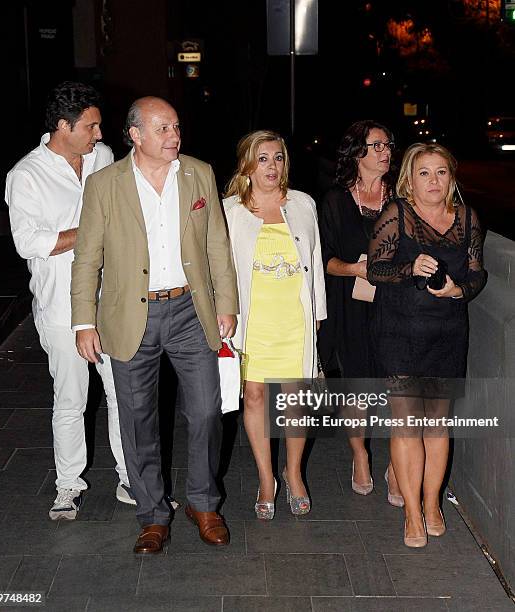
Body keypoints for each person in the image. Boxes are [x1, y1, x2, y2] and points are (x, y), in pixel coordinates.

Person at [71, 96, 239, 554]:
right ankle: (152, 514)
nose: (174, 136)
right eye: (163, 129)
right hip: (130, 315)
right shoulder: (104, 184)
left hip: (190, 310)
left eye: (177, 127)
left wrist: (226, 303)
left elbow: (217, 246)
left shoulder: (199, 173)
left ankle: (203, 503)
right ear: (135, 135)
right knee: (138, 418)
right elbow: (87, 258)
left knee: (207, 411)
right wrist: (84, 320)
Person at [4, 81, 132, 520]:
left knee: (123, 395)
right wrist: (89, 233)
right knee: (71, 399)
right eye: (91, 126)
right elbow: (29, 241)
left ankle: (131, 479)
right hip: (61, 306)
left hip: (112, 301)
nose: (99, 134)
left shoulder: (103, 157)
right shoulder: (27, 175)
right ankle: (68, 485)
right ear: (64, 126)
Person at [367, 142, 487, 547]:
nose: (433, 181)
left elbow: (477, 272)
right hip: (399, 332)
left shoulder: (468, 217)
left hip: (447, 333)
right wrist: (409, 267)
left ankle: (433, 504)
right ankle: (412, 514)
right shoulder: (396, 215)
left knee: (437, 426)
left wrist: (459, 290)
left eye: (441, 172)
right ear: (409, 179)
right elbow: (376, 268)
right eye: (424, 173)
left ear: (451, 178)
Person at [223, 130, 326, 519]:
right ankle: (267, 478)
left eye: (278, 158)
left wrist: (318, 314)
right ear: (248, 165)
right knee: (255, 398)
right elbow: (221, 268)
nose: (272, 166)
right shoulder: (230, 210)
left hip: (294, 317)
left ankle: (294, 473)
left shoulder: (302, 204)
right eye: (263, 158)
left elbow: (314, 262)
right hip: (254, 320)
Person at [318, 120, 403, 504]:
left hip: (398, 307)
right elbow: (323, 260)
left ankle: (397, 465)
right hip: (351, 306)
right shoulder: (335, 200)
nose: (386, 151)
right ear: (358, 153)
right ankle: (360, 455)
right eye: (378, 145)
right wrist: (355, 268)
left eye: (388, 145)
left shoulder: (402, 196)